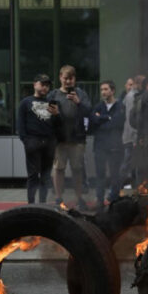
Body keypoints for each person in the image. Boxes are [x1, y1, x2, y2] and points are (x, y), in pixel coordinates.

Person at [48, 65, 92, 209]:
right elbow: (46, 117)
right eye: (65, 78)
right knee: (59, 169)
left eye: (71, 78)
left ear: (75, 79)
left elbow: (89, 112)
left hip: (77, 138)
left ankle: (79, 198)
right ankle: (58, 198)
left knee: (77, 169)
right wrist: (54, 114)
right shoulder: (53, 95)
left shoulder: (81, 94)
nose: (68, 81)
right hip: (60, 139)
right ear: (60, 77)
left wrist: (78, 102)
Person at [17, 74, 61, 204]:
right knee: (33, 175)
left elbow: (58, 124)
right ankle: (31, 203)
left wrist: (57, 114)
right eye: (42, 84)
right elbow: (20, 123)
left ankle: (42, 203)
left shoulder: (52, 103)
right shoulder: (26, 102)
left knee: (46, 176)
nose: (45, 88)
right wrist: (26, 141)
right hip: (33, 142)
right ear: (34, 84)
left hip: (49, 143)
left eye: (47, 85)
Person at [90, 80, 125, 208]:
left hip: (115, 146)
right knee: (100, 174)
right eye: (102, 90)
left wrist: (101, 119)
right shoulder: (98, 106)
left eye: (106, 89)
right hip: (100, 146)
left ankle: (113, 198)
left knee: (114, 174)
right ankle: (99, 199)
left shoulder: (120, 106)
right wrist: (107, 118)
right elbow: (93, 121)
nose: (103, 92)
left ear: (112, 90)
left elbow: (117, 122)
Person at [120, 75, 145, 189]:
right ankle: (125, 187)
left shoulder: (130, 96)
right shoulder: (132, 97)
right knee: (129, 162)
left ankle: (127, 187)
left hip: (130, 136)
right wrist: (135, 138)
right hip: (131, 136)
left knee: (129, 162)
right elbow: (132, 119)